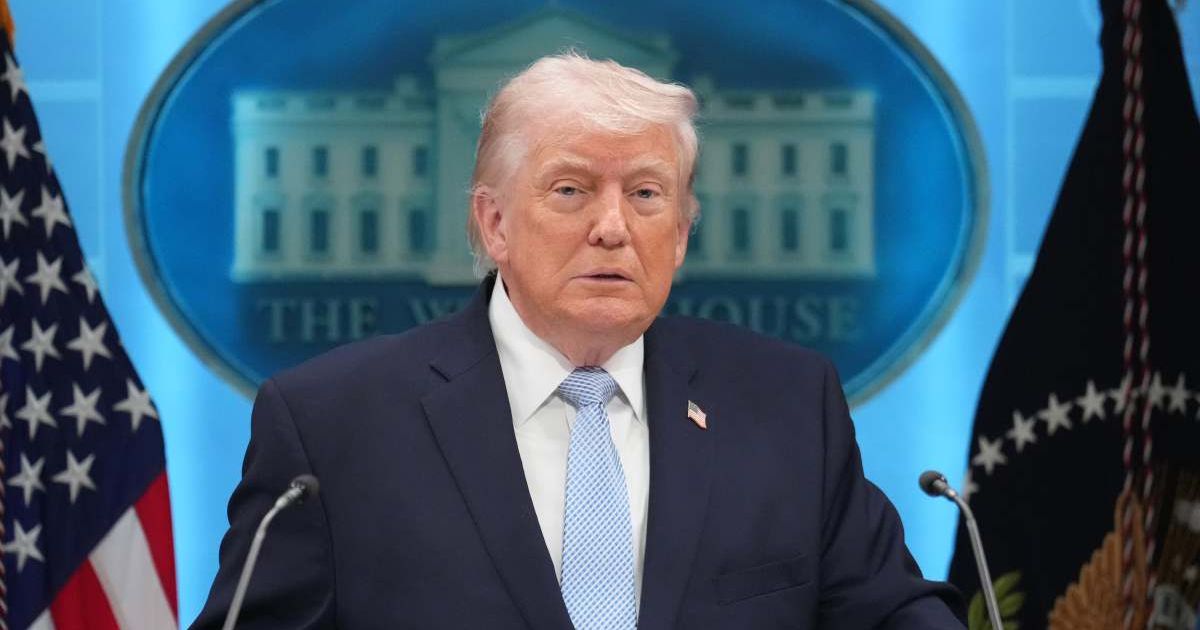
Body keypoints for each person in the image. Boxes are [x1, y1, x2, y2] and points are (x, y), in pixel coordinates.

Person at [193, 53, 963, 629]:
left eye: (646, 194)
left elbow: (889, 611)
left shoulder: (788, 405)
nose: (612, 226)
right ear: (493, 223)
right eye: (571, 190)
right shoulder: (333, 426)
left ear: (684, 234)